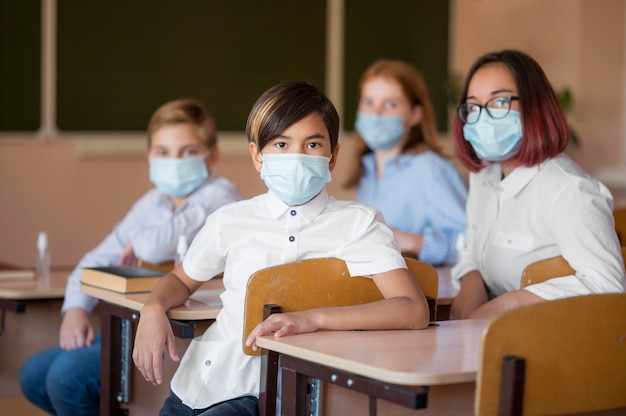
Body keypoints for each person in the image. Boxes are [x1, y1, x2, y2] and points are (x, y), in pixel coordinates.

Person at [132, 80, 430, 416]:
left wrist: (311, 319)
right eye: (281, 143)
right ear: (257, 157)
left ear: (332, 157)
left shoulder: (359, 222)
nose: (297, 156)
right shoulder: (230, 219)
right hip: (197, 381)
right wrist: (153, 307)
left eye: (313, 144)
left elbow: (412, 309)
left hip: (265, 393)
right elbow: (182, 280)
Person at [19, 98, 242, 416]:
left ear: (212, 155)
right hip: (133, 327)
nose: (174, 162)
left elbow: (155, 247)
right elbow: (96, 258)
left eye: (188, 151)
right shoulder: (152, 202)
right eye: (163, 152)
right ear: (150, 156)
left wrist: (138, 241)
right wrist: (76, 309)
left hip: (188, 341)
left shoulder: (221, 196)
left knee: (66, 379)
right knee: (33, 375)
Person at [449, 49, 625, 320]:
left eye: (499, 102)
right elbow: (471, 247)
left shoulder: (570, 190)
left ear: (535, 106)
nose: (482, 117)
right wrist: (471, 278)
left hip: (546, 337)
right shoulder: (483, 177)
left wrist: (509, 304)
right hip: (485, 333)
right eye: (473, 107)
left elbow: (608, 285)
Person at [344, 59, 467, 266]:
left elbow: (469, 247)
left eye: (390, 104)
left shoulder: (430, 169)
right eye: (368, 102)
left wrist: (410, 241)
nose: (375, 114)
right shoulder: (367, 169)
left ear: (415, 115)